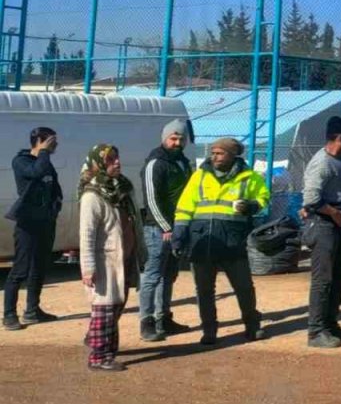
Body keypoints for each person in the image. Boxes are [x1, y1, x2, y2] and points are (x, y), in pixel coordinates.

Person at [172, 138, 269, 346]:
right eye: (213, 152)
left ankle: (251, 326)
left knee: (243, 287)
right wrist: (179, 233)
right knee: (204, 291)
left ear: (233, 155)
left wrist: (252, 206)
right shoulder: (199, 176)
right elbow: (185, 205)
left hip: (233, 242)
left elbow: (263, 199)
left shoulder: (249, 178)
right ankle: (209, 330)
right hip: (202, 242)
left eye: (220, 153)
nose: (214, 156)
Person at [77, 145, 139, 372]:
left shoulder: (122, 189)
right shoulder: (92, 196)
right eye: (111, 160)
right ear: (98, 164)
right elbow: (87, 234)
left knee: (117, 305)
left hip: (124, 257)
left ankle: (101, 343)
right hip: (104, 261)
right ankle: (99, 356)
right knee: (105, 308)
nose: (117, 163)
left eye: (117, 158)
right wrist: (88, 267)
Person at [300, 116, 341, 349]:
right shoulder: (322, 162)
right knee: (323, 279)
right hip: (323, 225)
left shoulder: (339, 160)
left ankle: (330, 322)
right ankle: (316, 331)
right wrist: (334, 213)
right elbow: (311, 199)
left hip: (335, 225)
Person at [137, 119, 193, 342]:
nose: (177, 142)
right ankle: (146, 321)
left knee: (169, 275)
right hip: (157, 229)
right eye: (173, 138)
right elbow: (151, 199)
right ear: (164, 138)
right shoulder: (155, 163)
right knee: (152, 276)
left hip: (178, 228)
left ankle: (164, 318)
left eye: (181, 139)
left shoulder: (183, 163)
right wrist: (165, 226)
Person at [4, 126, 63, 330]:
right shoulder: (21, 161)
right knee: (20, 269)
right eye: (51, 141)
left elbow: (54, 186)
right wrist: (44, 152)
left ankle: (32, 310)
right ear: (39, 140)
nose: (55, 145)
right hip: (27, 223)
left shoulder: (46, 161)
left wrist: (55, 207)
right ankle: (9, 315)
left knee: (39, 267)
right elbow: (36, 172)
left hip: (45, 222)